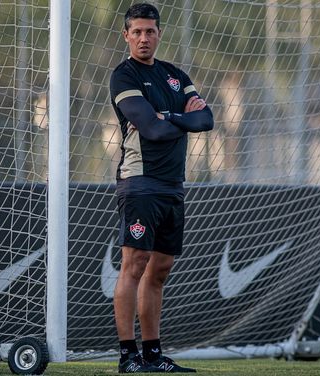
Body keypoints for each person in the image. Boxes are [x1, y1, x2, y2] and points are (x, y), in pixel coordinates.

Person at [109, 3, 214, 373]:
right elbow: (150, 130)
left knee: (161, 268)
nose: (143, 38)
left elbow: (207, 119)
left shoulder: (174, 75)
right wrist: (182, 119)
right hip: (139, 182)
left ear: (159, 33)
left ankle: (153, 355)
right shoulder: (123, 76)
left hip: (173, 184)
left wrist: (168, 116)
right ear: (126, 35)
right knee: (134, 264)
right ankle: (128, 356)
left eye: (149, 31)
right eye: (136, 31)